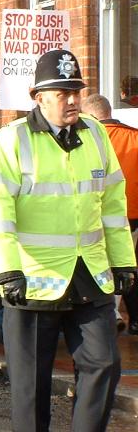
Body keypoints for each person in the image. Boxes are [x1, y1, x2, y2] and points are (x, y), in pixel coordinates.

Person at [0, 49, 137, 432]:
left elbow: (112, 204)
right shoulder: (12, 139)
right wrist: (7, 271)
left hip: (89, 274)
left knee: (104, 364)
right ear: (39, 97)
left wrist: (123, 260)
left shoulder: (96, 133)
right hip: (32, 281)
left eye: (76, 91)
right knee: (31, 389)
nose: (72, 100)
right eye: (62, 93)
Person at [82, 93, 138, 335]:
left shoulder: (88, 139)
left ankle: (109, 314)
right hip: (131, 215)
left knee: (99, 264)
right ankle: (132, 319)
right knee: (126, 264)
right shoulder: (134, 137)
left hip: (93, 213)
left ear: (91, 115)